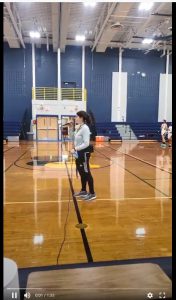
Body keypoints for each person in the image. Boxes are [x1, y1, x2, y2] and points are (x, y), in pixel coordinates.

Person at [71, 111, 96, 201]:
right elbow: (75, 139)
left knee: (87, 173)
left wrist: (76, 149)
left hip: (84, 153)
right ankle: (84, 190)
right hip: (78, 153)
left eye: (76, 116)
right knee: (81, 172)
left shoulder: (85, 128)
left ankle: (92, 193)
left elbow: (86, 143)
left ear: (81, 118)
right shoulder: (79, 127)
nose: (75, 118)